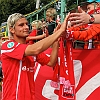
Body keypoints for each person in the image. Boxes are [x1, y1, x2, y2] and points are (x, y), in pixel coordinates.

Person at [1, 13, 69, 100]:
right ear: (12, 30)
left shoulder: (29, 48)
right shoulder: (7, 46)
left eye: (27, 24)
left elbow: (51, 62)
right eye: (21, 25)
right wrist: (59, 32)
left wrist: (55, 41)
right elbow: (36, 49)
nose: (26, 27)